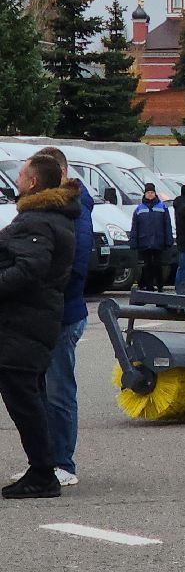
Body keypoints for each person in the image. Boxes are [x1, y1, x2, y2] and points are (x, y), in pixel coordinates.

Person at [0, 154, 79, 499]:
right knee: (28, 396)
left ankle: (43, 472)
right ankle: (43, 468)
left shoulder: (38, 220)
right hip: (31, 320)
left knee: (25, 399)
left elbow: (31, 268)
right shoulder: (51, 216)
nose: (16, 179)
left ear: (33, 182)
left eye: (20, 175)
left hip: (23, 322)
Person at [32, 146, 91, 488]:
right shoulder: (49, 208)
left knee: (58, 391)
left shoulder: (75, 210)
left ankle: (62, 462)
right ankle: (43, 462)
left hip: (63, 313)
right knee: (39, 390)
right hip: (44, 314)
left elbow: (76, 265)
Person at [131, 182, 172, 292]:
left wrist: (168, 240)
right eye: (148, 192)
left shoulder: (162, 207)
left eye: (152, 192)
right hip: (144, 241)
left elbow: (167, 225)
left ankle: (160, 285)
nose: (150, 194)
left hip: (159, 241)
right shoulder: (139, 209)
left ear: (155, 193)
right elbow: (135, 227)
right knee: (147, 265)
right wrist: (134, 242)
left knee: (158, 265)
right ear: (145, 194)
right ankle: (149, 286)